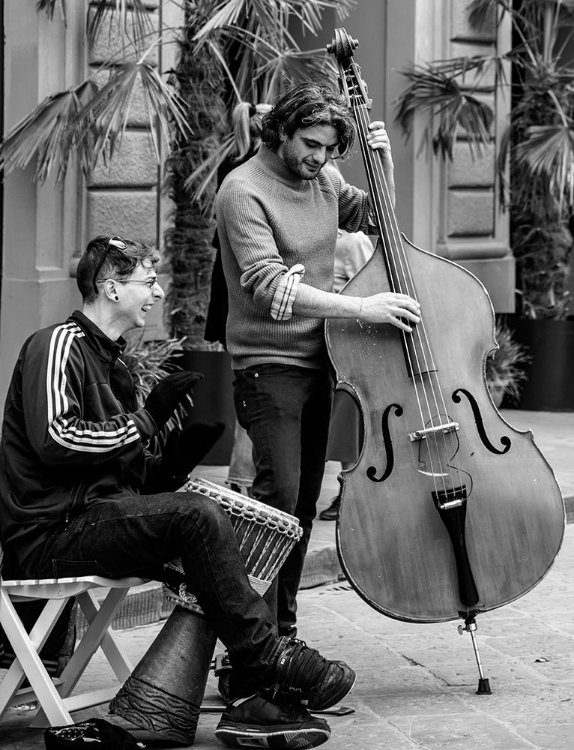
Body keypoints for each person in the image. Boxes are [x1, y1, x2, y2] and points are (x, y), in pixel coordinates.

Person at [0, 234, 357, 748]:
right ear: (111, 288)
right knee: (197, 518)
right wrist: (146, 420)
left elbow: (123, 472)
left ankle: (242, 700)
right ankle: (269, 658)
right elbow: (57, 437)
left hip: (94, 521)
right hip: (48, 534)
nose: (159, 294)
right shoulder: (57, 344)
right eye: (148, 281)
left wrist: (168, 465)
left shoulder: (115, 367)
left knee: (213, 534)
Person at [216, 81, 421, 644]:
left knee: (303, 504)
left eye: (330, 149)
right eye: (310, 144)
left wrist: (384, 164)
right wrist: (362, 307)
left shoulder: (324, 178)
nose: (320, 158)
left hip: (320, 362)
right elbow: (268, 289)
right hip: (267, 366)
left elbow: (377, 216)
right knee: (275, 501)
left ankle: (280, 634)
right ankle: (244, 645)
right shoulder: (243, 191)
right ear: (279, 130)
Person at [205, 101, 273, 497]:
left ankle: (241, 476)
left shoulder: (231, 160)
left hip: (226, 281)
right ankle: (244, 478)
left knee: (248, 384)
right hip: (243, 285)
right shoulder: (256, 170)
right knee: (258, 386)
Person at [320, 227, 375, 521]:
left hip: (350, 339)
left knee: (348, 413)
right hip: (323, 339)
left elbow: (369, 288)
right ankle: (348, 487)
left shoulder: (352, 241)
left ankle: (351, 489)